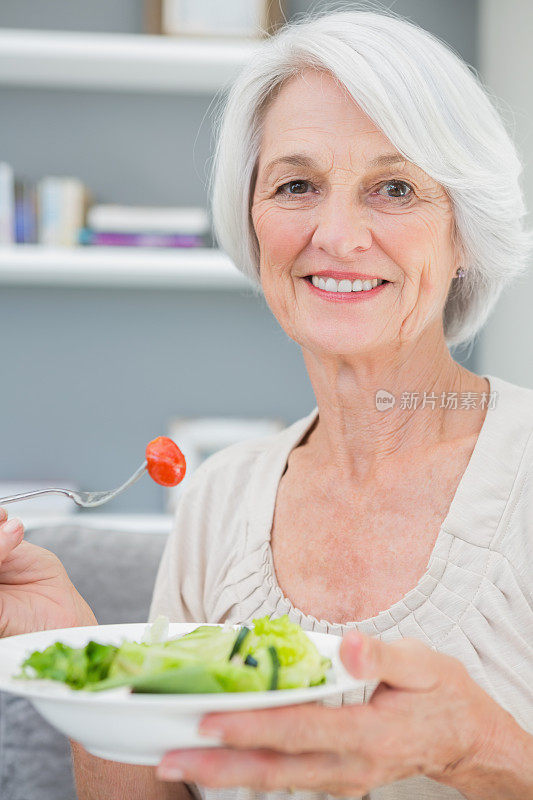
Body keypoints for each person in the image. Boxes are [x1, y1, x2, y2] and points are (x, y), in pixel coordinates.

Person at [1, 7, 532, 800]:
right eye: (296, 185)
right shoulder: (220, 495)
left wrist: (474, 747)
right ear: (253, 224)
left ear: (463, 236)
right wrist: (78, 649)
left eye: (394, 187)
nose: (338, 234)